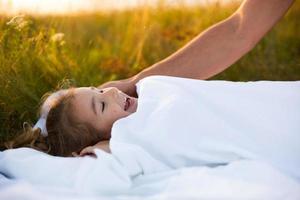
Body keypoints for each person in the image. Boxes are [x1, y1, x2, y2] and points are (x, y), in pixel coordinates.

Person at [4, 0, 295, 157]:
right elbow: (240, 28)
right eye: (100, 104)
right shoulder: (131, 129)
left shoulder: (152, 95)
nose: (110, 92)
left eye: (98, 90)